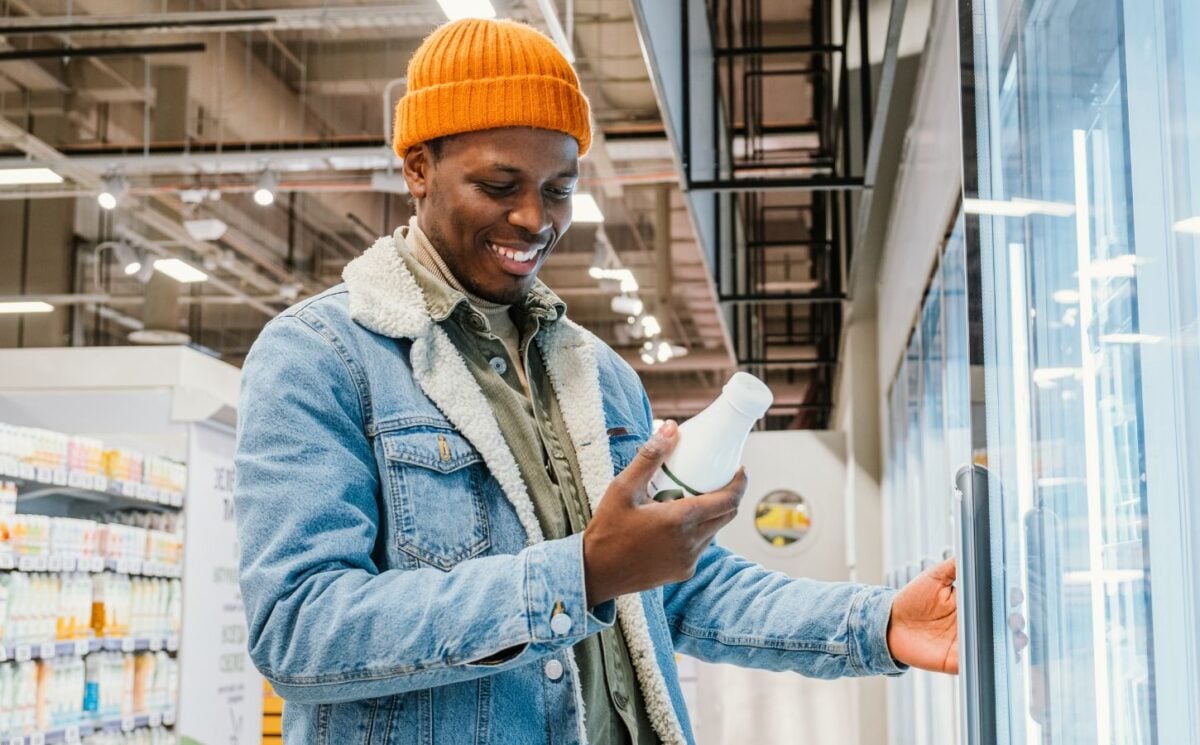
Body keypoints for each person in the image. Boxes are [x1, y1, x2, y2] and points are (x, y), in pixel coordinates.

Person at [234, 18, 958, 745]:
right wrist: (576, 575)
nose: (533, 218)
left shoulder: (598, 374)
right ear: (418, 167)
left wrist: (881, 623)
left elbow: (674, 587)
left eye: (558, 188)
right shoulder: (321, 357)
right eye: (499, 184)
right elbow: (299, 626)